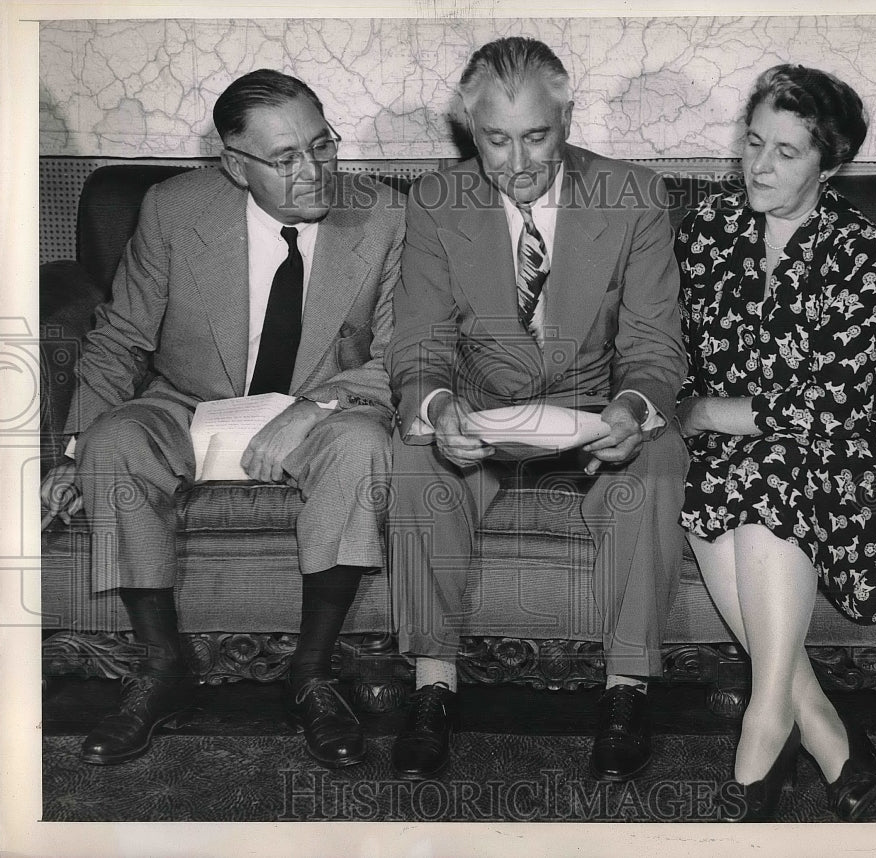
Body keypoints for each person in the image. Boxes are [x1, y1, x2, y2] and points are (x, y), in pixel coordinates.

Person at [38, 69, 404, 769]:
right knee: (114, 441)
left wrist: (311, 409)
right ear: (236, 167)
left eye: (322, 144)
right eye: (287, 158)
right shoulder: (175, 209)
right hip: (191, 399)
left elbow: (402, 355)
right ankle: (162, 669)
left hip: (319, 406)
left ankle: (313, 673)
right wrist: (70, 451)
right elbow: (120, 337)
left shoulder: (385, 216)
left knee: (361, 445)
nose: (315, 170)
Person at [385, 36, 689, 782]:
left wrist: (631, 406)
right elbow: (419, 344)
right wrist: (438, 405)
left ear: (568, 118)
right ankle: (433, 687)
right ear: (469, 129)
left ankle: (626, 690)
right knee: (412, 452)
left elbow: (654, 346)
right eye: (495, 140)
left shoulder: (636, 197)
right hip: (483, 410)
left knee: (655, 456)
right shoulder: (433, 203)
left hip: (594, 403)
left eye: (537, 137)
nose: (517, 164)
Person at [674, 64, 876, 821]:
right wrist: (693, 409)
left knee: (770, 464)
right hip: (748, 429)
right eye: (753, 142)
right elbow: (682, 356)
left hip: (865, 430)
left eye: (786, 152)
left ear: (830, 162)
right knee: (719, 475)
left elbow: (833, 403)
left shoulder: (861, 248)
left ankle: (764, 724)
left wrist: (704, 414)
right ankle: (819, 722)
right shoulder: (703, 232)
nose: (759, 165)